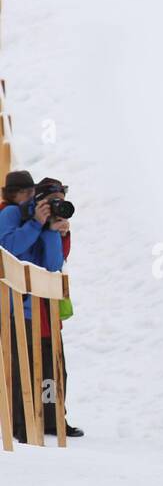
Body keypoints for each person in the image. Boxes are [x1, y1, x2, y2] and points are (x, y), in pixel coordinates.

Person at [0, 173, 80, 439]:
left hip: (43, 308)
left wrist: (52, 230)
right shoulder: (11, 214)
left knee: (51, 366)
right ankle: (21, 423)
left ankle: (52, 418)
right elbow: (10, 249)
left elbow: (53, 264)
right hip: (16, 306)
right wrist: (35, 224)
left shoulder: (39, 219)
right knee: (22, 366)